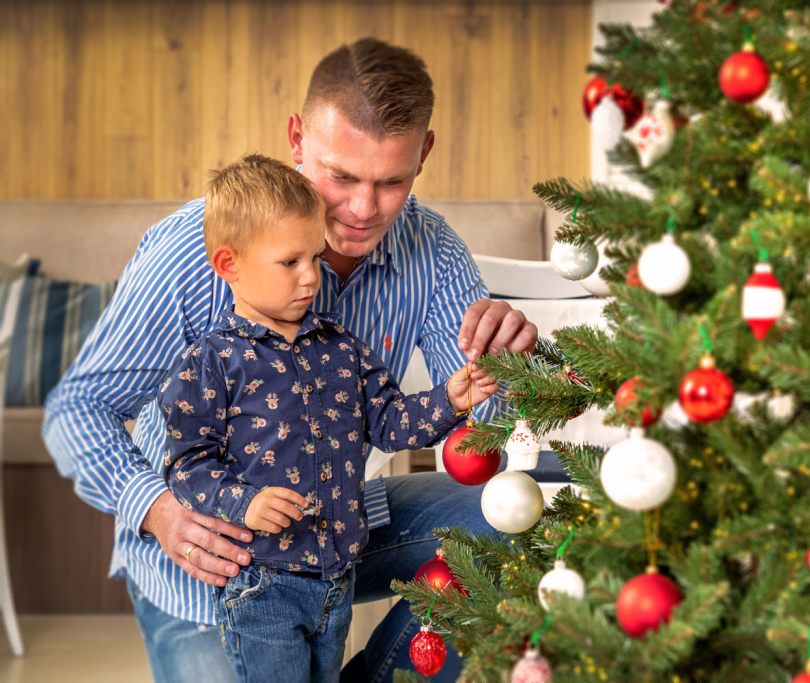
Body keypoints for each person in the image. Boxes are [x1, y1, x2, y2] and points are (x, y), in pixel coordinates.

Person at [43, 37, 537, 683]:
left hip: (337, 526)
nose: (363, 209)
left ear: (425, 153)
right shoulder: (193, 252)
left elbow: (481, 424)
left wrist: (507, 368)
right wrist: (157, 510)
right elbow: (76, 409)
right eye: (342, 176)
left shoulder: (434, 252)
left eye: (392, 181)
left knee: (512, 522)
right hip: (208, 561)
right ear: (297, 139)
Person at [158, 154, 497, 682]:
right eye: (289, 262)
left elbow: (390, 422)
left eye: (315, 257)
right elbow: (186, 464)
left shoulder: (341, 348)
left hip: (336, 575)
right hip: (262, 583)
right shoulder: (213, 362)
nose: (311, 278)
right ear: (230, 264)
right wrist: (244, 503)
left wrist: (449, 400)